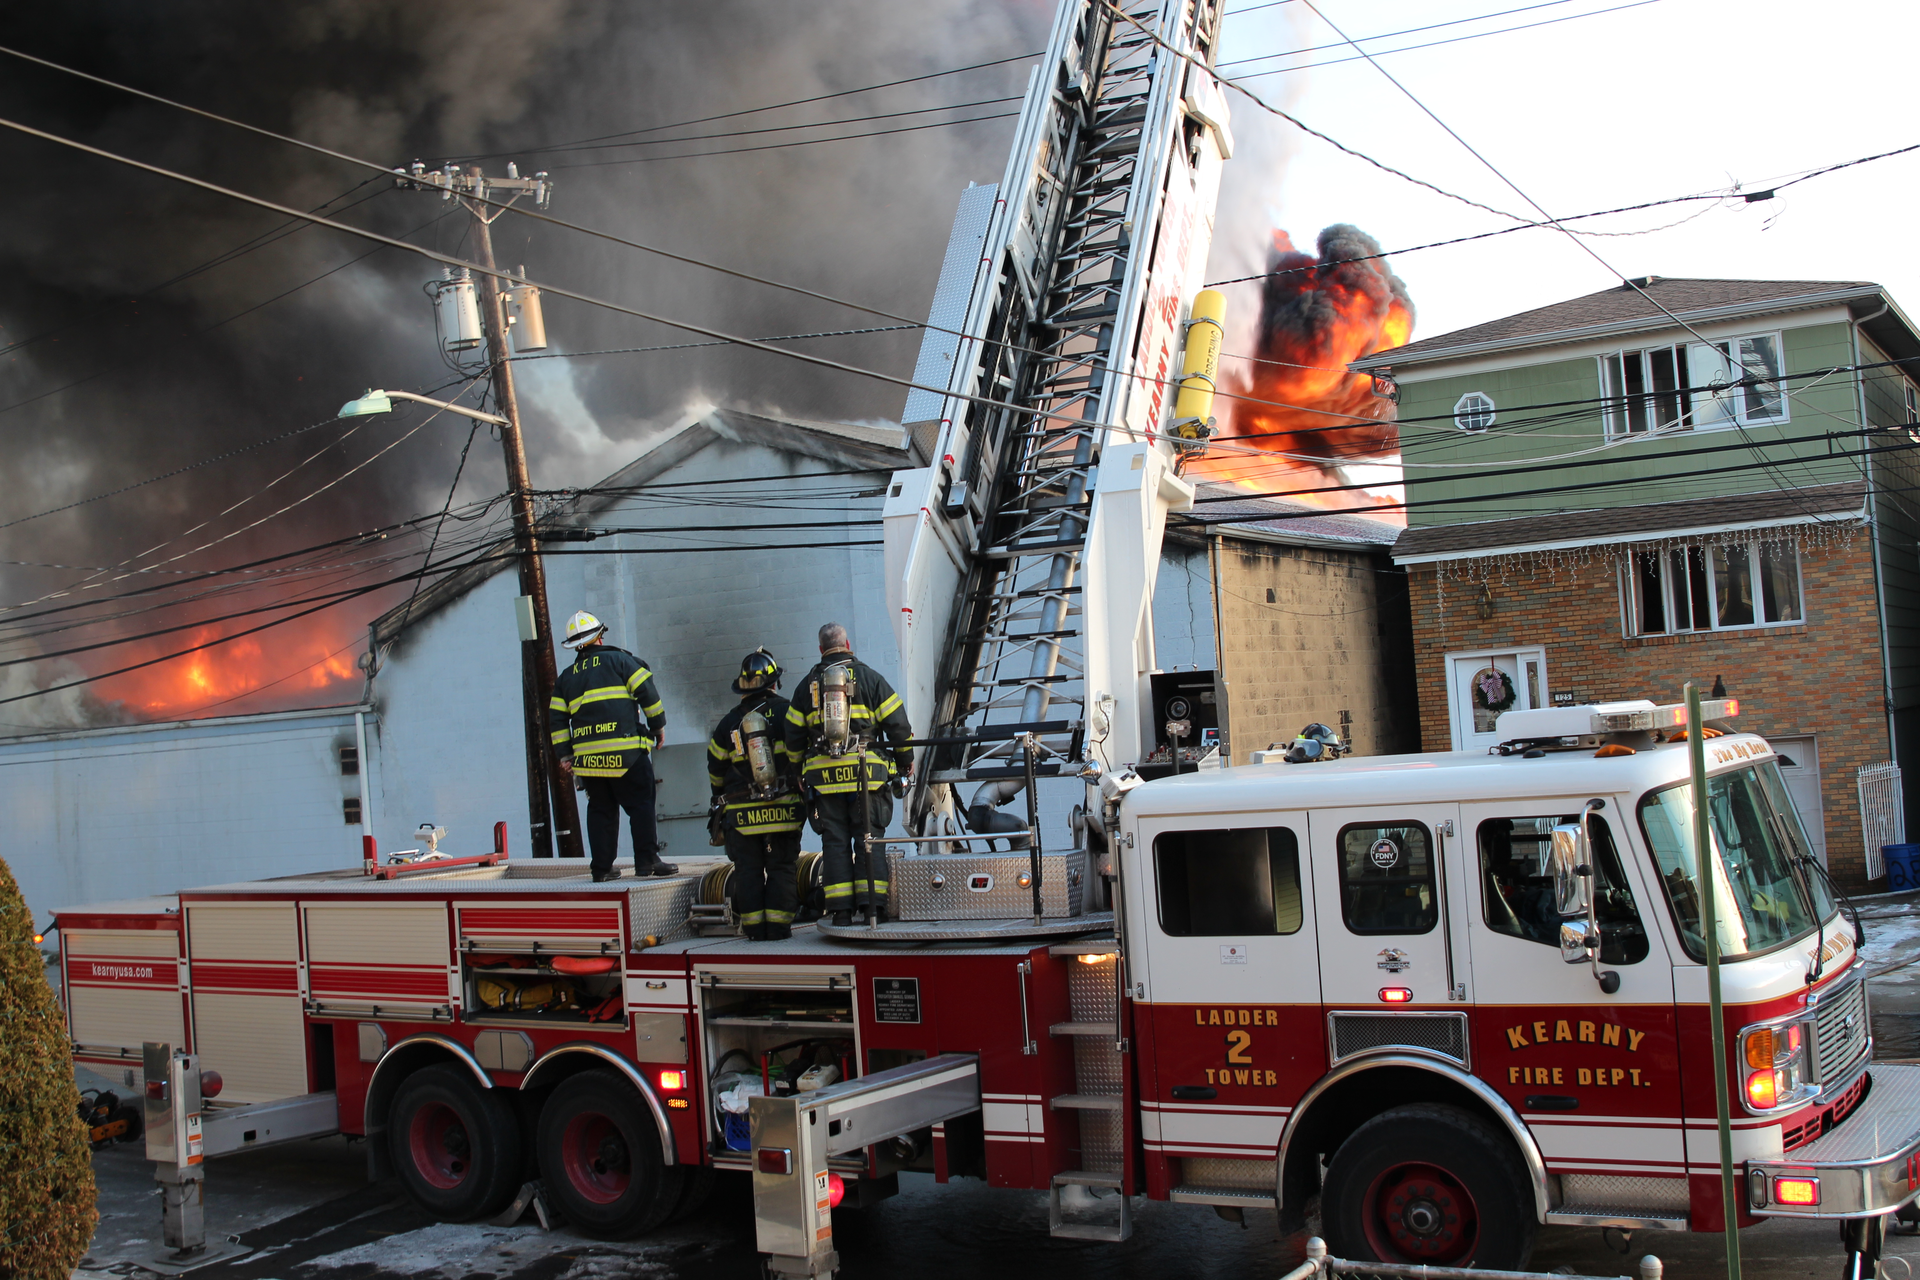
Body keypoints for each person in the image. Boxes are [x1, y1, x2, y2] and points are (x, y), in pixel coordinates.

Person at [784, 623, 913, 926]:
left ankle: (840, 912)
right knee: (869, 838)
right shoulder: (871, 679)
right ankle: (873, 908)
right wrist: (905, 760)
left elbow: (792, 736)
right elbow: (898, 725)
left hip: (823, 780)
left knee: (835, 841)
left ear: (821, 649)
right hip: (866, 774)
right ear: (848, 644)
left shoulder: (806, 686)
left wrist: (797, 768)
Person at [548, 610, 678, 881]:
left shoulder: (565, 678)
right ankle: (646, 862)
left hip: (589, 761)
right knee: (641, 804)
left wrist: (565, 755)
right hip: (627, 754)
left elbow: (557, 721)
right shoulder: (621, 661)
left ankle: (602, 869)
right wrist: (658, 727)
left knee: (600, 811)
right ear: (600, 635)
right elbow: (648, 694)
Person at [706, 649, 804, 940]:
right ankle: (778, 928)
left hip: (742, 815)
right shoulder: (789, 712)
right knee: (782, 868)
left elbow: (715, 769)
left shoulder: (728, 723)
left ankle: (753, 929)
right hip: (783, 809)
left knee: (747, 870)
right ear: (774, 684)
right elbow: (802, 755)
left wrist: (719, 795)